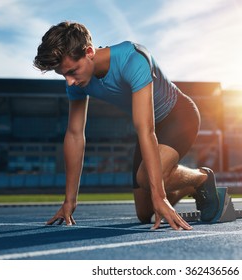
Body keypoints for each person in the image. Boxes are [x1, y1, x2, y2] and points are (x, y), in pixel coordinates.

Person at [34, 21, 219, 230]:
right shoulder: (77, 81)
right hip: (151, 126)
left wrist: (159, 195)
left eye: (72, 71)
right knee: (144, 213)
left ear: (88, 52)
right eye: (64, 75)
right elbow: (75, 134)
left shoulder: (132, 59)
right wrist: (69, 201)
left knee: (146, 179)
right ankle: (185, 187)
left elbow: (145, 129)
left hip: (179, 116)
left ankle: (201, 178)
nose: (69, 82)